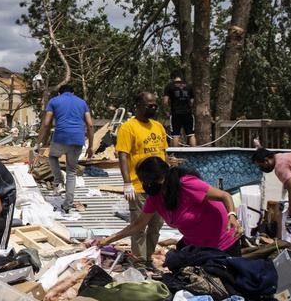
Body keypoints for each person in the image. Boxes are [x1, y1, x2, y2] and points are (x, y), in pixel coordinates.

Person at [94, 157, 243, 255]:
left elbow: (224, 196)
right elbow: (138, 225)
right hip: (196, 244)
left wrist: (232, 215)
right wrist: (109, 239)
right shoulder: (155, 198)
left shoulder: (186, 184)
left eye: (146, 181)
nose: (145, 186)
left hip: (222, 242)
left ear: (159, 178)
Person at [116, 91, 169, 261]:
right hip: (139, 187)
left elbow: (163, 153)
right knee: (139, 227)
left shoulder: (158, 126)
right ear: (139, 106)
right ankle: (139, 260)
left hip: (159, 187)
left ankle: (149, 258)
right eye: (149, 105)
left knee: (156, 226)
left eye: (155, 105)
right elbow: (123, 155)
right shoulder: (128, 127)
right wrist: (127, 183)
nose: (153, 108)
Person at [35, 84, 94, 213]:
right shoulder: (82, 103)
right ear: (73, 93)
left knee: (52, 156)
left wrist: (38, 142)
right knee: (71, 171)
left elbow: (46, 124)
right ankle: (67, 205)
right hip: (78, 139)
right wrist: (91, 146)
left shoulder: (54, 101)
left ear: (59, 93)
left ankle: (58, 181)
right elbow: (90, 125)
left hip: (60, 137)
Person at [162, 73, 196, 147]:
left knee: (175, 135)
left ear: (172, 78)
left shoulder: (169, 86)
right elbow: (192, 101)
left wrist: (166, 111)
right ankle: (195, 156)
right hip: (188, 112)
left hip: (175, 113)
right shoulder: (189, 85)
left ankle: (175, 155)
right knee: (191, 134)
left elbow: (165, 101)